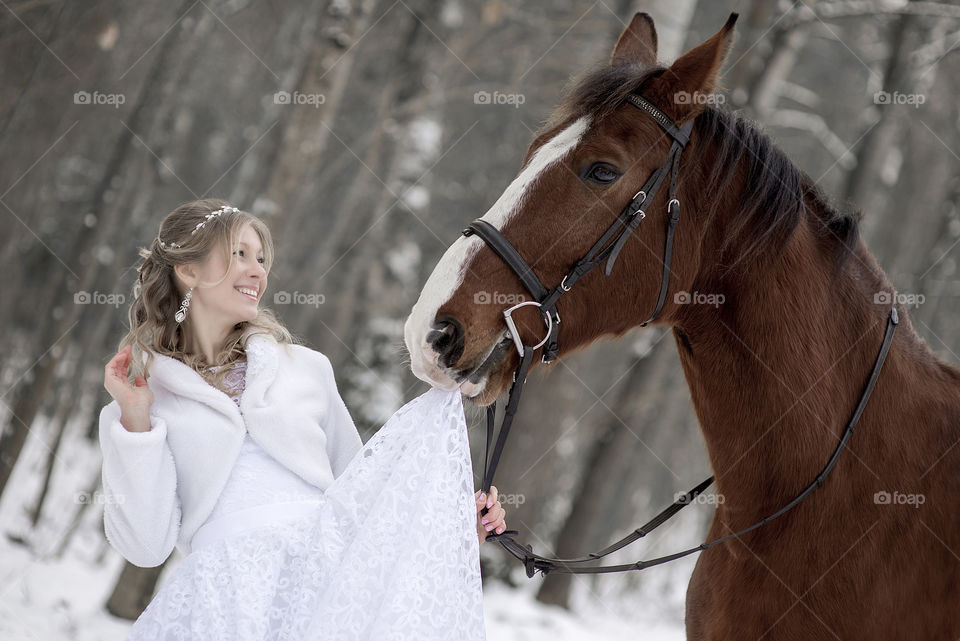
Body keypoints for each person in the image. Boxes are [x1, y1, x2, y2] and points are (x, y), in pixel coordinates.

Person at [99, 198, 507, 640]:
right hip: (221, 607)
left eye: (261, 259)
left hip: (324, 591)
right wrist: (137, 423)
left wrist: (454, 529)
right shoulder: (141, 401)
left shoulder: (306, 369)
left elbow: (361, 506)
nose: (258, 271)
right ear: (188, 271)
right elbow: (144, 545)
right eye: (240, 254)